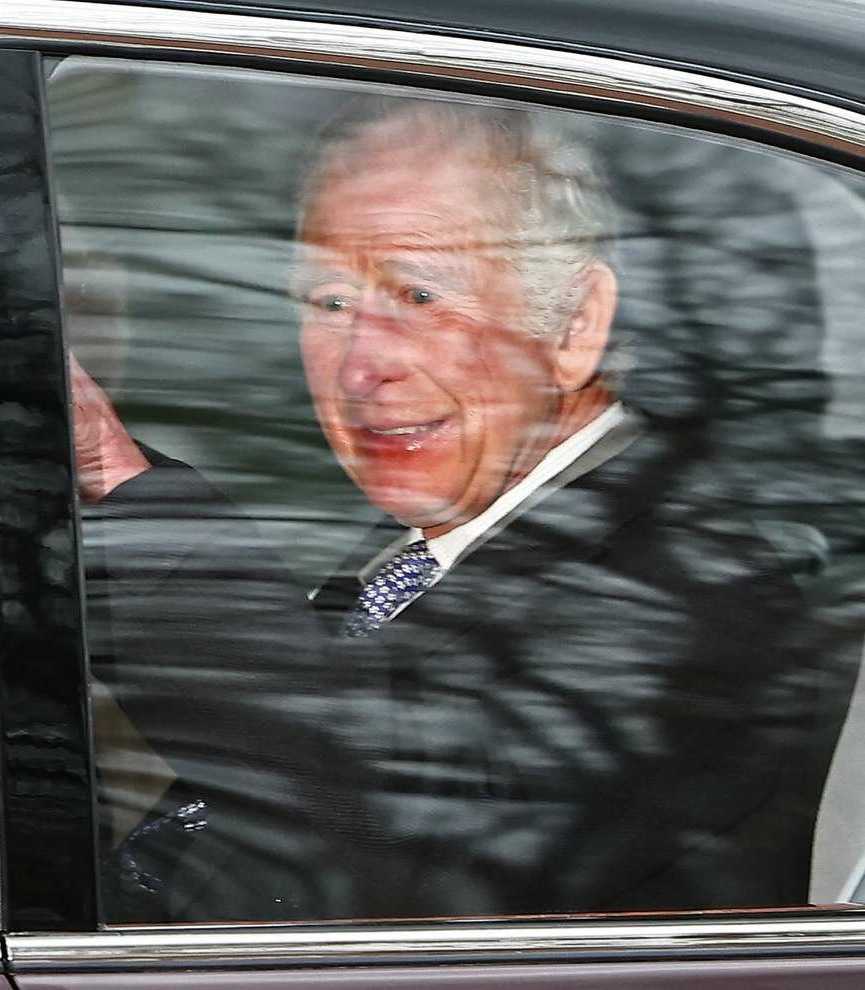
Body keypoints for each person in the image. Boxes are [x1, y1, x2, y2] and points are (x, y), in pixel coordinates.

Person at [73, 97, 860, 922]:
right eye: (331, 302)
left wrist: (125, 489)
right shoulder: (428, 539)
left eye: (418, 295)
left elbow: (382, 816)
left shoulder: (695, 591)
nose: (359, 366)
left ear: (574, 327)